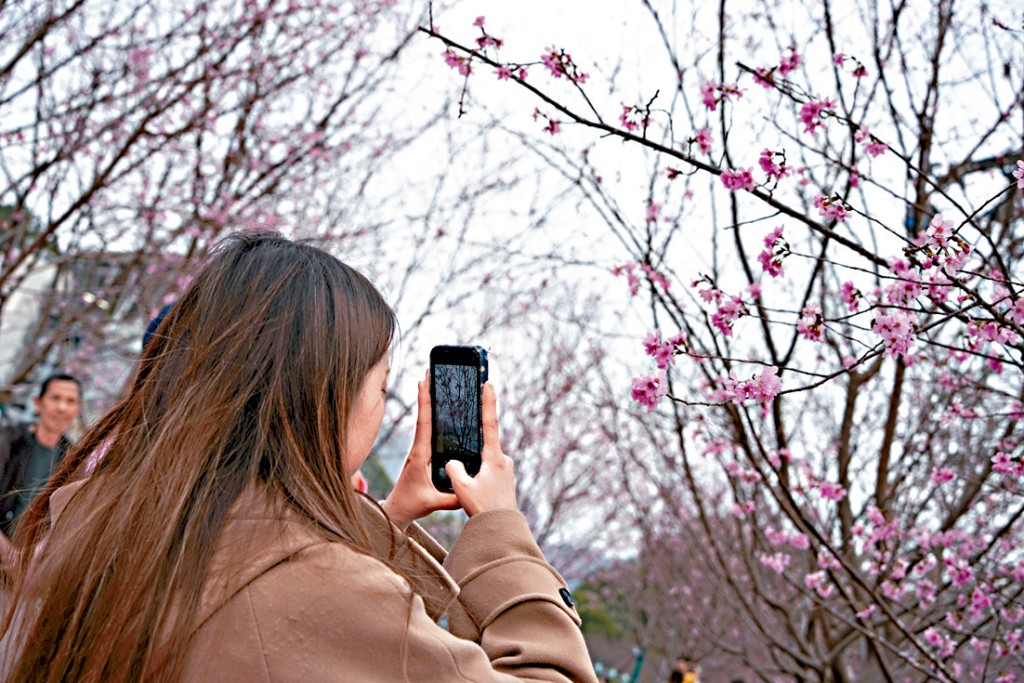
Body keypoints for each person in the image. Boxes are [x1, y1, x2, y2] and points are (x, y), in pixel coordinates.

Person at [0, 232, 596, 682]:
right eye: (381, 386)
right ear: (325, 400)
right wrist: (501, 533)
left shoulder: (76, 525)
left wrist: (384, 523)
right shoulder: (332, 593)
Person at [0, 373, 81, 574]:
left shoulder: (73, 463)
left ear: (77, 410)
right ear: (38, 403)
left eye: (70, 401)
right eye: (55, 398)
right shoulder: (8, 442)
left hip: (25, 573)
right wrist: (8, 554)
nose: (62, 407)